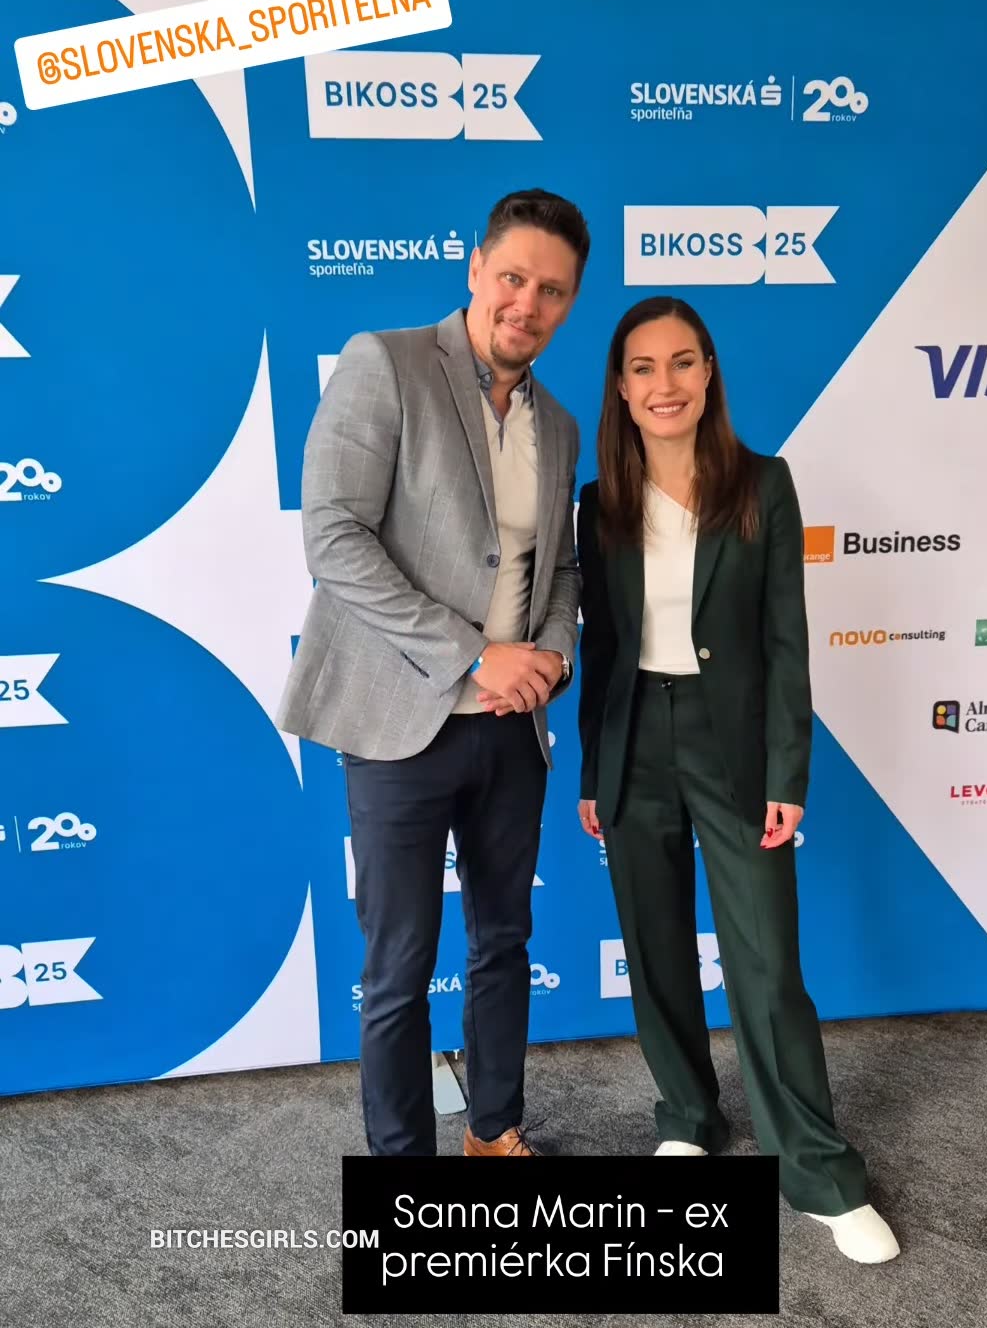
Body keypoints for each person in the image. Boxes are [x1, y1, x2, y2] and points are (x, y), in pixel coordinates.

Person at [574, 295, 900, 1264]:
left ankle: (819, 1171)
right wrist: (595, 770)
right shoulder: (599, 501)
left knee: (765, 963)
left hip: (735, 751)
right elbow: (602, 651)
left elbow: (786, 638)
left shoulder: (764, 483)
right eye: (643, 367)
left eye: (682, 362)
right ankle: (688, 1114)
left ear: (708, 371)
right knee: (654, 946)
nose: (663, 383)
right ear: (620, 385)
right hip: (634, 742)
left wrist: (787, 771)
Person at [277, 188, 589, 1158]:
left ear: (569, 303)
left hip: (512, 730)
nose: (527, 304)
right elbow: (334, 535)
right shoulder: (388, 362)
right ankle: (403, 1167)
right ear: (475, 268)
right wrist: (474, 653)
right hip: (397, 724)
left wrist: (552, 657)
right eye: (513, 278)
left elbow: (560, 569)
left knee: (504, 943)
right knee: (400, 967)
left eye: (552, 290)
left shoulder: (560, 424)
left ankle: (493, 1130)